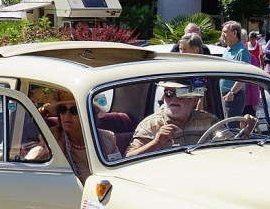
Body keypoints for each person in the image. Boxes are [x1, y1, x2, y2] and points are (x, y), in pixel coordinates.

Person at [126, 80, 256, 157]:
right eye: (169, 93)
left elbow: (232, 149)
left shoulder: (208, 120)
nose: (174, 99)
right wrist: (156, 143)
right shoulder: (150, 124)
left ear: (194, 100)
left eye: (181, 93)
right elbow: (128, 158)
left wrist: (246, 131)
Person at [26, 91, 120, 183]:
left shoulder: (107, 137)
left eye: (74, 110)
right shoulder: (52, 137)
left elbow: (117, 171)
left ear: (88, 114)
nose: (67, 115)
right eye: (62, 110)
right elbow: (27, 167)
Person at [221, 20, 252, 117]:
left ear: (234, 33)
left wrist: (232, 93)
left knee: (232, 124)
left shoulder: (242, 51)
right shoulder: (227, 50)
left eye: (225, 32)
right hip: (224, 94)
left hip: (234, 96)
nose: (222, 35)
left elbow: (244, 76)